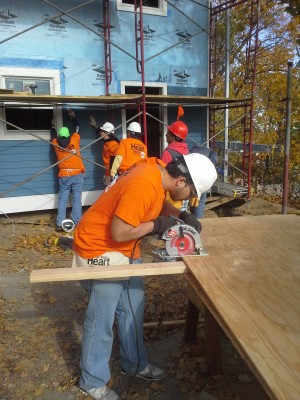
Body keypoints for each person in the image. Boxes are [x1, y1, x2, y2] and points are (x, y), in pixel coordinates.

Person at [72, 152, 217, 400]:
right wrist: (158, 225)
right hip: (100, 247)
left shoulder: (158, 172)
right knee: (101, 319)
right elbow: (119, 232)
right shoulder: (144, 182)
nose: (191, 200)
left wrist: (181, 216)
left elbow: (158, 202)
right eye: (192, 195)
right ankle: (91, 380)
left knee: (133, 307)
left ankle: (135, 364)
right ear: (181, 181)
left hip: (126, 247)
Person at [51, 109, 85, 232]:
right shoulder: (74, 139)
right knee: (76, 198)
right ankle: (77, 221)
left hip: (65, 174)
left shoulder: (56, 143)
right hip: (77, 173)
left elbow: (53, 135)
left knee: (63, 198)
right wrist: (73, 117)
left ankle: (60, 223)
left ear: (60, 136)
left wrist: (52, 125)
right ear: (68, 135)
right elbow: (77, 128)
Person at [161, 120, 189, 211]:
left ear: (173, 137)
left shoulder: (168, 153)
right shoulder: (187, 152)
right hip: (184, 194)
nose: (166, 135)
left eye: (168, 133)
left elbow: (162, 178)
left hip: (172, 197)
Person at [189, 144, 218, 218]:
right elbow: (214, 160)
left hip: (192, 180)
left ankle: (192, 218)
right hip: (204, 180)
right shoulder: (210, 152)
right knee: (201, 201)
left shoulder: (190, 151)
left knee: (192, 199)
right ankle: (198, 220)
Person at [88, 116, 119, 186]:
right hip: (108, 171)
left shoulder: (113, 144)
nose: (100, 132)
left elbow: (115, 161)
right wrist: (95, 125)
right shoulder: (107, 140)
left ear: (106, 132)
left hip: (112, 173)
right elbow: (99, 130)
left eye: (102, 131)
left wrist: (111, 175)